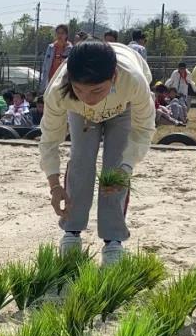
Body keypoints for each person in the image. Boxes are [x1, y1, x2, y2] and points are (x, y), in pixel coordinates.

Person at [40, 41, 155, 266]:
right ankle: (71, 233)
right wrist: (54, 185)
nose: (89, 98)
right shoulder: (58, 91)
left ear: (113, 76)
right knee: (81, 159)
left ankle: (113, 240)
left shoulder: (133, 80)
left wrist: (126, 168)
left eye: (96, 90)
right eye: (80, 89)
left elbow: (143, 130)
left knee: (116, 167)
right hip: (79, 114)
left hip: (122, 108)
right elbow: (50, 139)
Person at [39, 24, 73, 92]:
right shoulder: (50, 47)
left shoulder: (71, 49)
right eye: (58, 33)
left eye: (62, 33)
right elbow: (45, 65)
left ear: (66, 35)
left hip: (63, 82)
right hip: (50, 80)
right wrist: (43, 82)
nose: (60, 35)